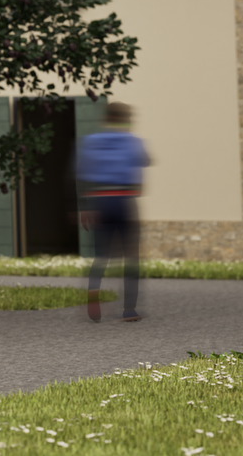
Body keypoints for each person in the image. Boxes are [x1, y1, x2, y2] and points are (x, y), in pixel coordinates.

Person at [75, 101, 150, 322]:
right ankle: (129, 310)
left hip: (100, 201)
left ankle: (92, 293)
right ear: (126, 119)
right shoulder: (133, 142)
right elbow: (144, 161)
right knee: (131, 257)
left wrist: (83, 208)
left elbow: (81, 175)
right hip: (125, 200)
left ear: (106, 118)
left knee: (101, 255)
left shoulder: (91, 142)